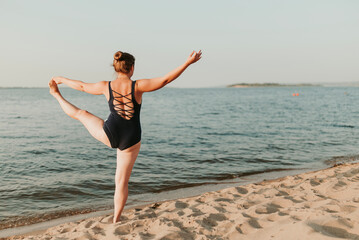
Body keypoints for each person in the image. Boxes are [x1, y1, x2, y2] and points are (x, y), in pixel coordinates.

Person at [48, 50, 202, 223]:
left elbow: (82, 86)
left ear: (116, 68)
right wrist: (187, 63)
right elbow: (165, 80)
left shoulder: (105, 86)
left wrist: (61, 80)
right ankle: (116, 218)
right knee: (121, 182)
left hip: (110, 132)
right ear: (132, 68)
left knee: (81, 113)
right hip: (131, 138)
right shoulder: (138, 86)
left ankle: (56, 95)